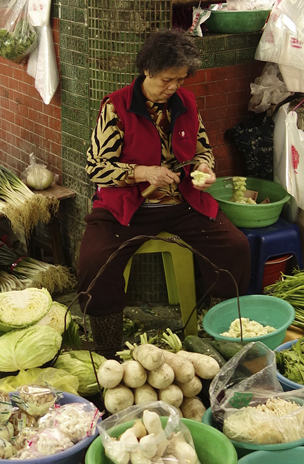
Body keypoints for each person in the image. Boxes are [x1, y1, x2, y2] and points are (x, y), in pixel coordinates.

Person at [77, 29, 251, 356]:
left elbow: (203, 150)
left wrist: (204, 170)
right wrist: (142, 173)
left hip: (181, 202)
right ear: (148, 71)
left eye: (180, 81)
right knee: (94, 260)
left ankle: (220, 329)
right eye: (167, 80)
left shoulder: (185, 103)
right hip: (127, 207)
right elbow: (96, 167)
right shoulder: (116, 108)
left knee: (235, 246)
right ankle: (107, 346)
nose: (173, 88)